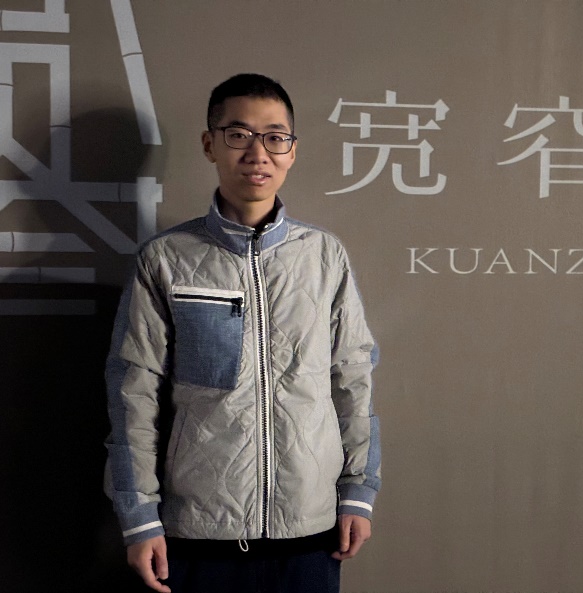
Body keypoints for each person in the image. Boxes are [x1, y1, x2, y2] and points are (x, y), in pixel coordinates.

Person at [104, 73, 380, 593]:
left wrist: (358, 491)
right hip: (198, 532)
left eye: (275, 137)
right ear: (210, 144)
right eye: (238, 134)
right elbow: (134, 393)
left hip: (311, 530)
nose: (258, 153)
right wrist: (139, 516)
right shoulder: (166, 258)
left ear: (292, 151)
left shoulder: (324, 256)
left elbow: (353, 378)